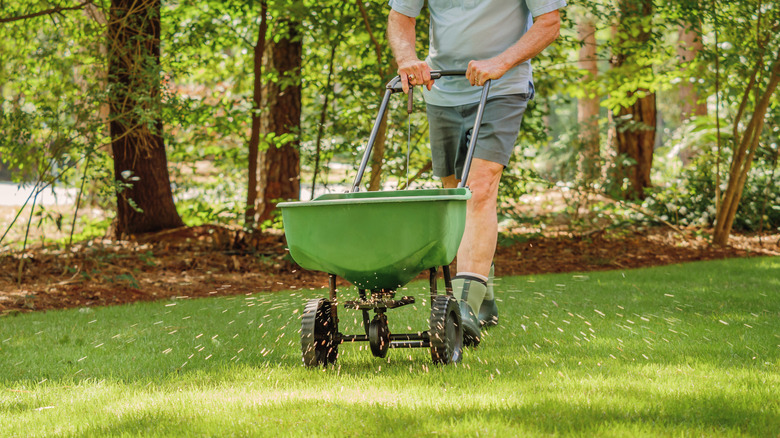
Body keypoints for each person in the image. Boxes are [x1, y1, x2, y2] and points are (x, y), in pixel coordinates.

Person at [387, 0, 566, 344]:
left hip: (502, 87)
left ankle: (464, 307)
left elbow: (549, 23)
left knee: (479, 189)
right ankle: (484, 297)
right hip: (442, 91)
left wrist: (501, 62)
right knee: (456, 197)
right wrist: (407, 58)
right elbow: (400, 17)